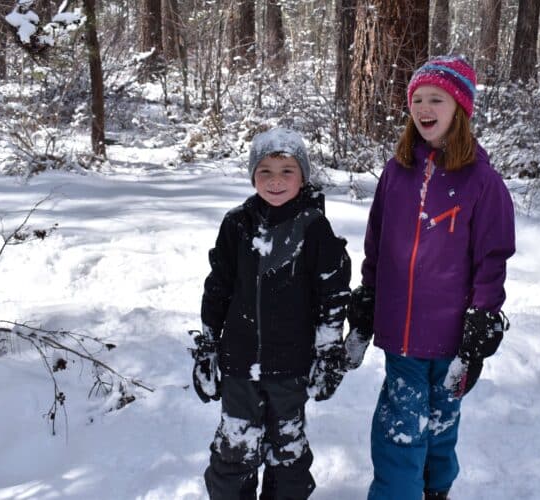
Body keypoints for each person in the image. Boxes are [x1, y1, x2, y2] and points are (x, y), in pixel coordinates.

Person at [345, 56, 516, 500]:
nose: (424, 107)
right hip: (402, 333)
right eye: (417, 98)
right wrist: (368, 293)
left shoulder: (482, 181)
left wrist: (483, 316)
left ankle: (436, 489)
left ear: (459, 108)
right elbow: (376, 241)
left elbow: (492, 256)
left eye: (436, 99)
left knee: (442, 420)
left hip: (454, 332)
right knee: (401, 428)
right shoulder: (396, 171)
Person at [191, 127, 351, 499]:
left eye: (286, 171)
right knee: (234, 454)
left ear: (302, 176)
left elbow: (332, 295)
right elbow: (217, 288)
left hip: (291, 369)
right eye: (265, 171)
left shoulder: (314, 229)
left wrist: (328, 353)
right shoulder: (236, 225)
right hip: (238, 367)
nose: (275, 181)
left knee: (288, 458)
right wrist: (208, 346)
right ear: (252, 176)